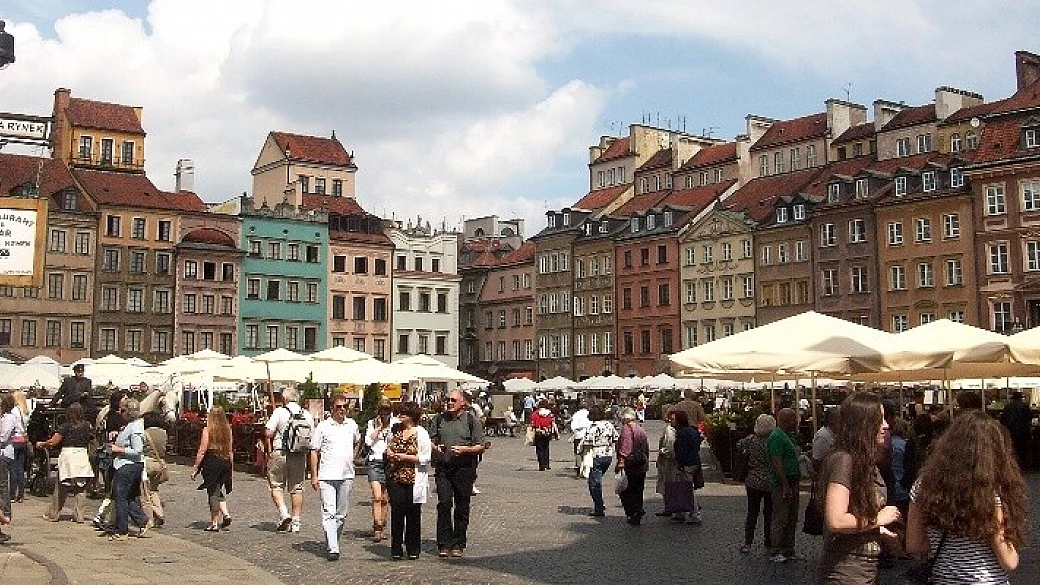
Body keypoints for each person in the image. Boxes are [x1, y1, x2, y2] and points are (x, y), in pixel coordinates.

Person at [907, 410, 1027, 584]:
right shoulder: (988, 493)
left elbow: (914, 544)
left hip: (941, 579)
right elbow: (1008, 561)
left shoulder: (923, 485)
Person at [817, 392, 901, 583]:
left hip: (862, 569)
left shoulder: (862, 461)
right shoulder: (844, 461)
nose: (886, 425)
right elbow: (836, 520)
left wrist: (878, 532)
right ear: (864, 424)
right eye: (880, 420)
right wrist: (878, 519)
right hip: (845, 572)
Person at [429, 389, 485, 558]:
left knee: (462, 506)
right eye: (447, 400)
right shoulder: (438, 419)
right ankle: (444, 543)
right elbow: (430, 440)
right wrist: (435, 447)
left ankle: (458, 543)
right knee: (444, 503)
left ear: (463, 403)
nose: (449, 403)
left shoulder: (471, 420)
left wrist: (464, 450)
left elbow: (480, 446)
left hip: (464, 469)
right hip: (443, 468)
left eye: (453, 400)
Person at [309, 394, 361, 561]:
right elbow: (314, 451)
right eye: (338, 406)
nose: (342, 409)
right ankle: (333, 548)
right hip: (327, 475)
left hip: (346, 475)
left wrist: (352, 457)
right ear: (332, 408)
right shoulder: (323, 427)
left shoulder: (351, 425)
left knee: (341, 514)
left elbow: (357, 441)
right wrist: (314, 475)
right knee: (329, 512)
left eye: (344, 406)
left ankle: (333, 541)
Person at [385, 401, 432, 560]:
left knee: (413, 513)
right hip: (396, 476)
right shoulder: (395, 429)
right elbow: (388, 446)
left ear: (412, 415)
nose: (401, 415)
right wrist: (390, 453)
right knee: (397, 511)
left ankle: (413, 547)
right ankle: (396, 547)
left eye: (404, 412)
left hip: (413, 477)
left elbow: (426, 457)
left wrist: (407, 457)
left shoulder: (421, 433)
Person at [264, 386, 314, 533]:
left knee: (276, 484)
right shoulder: (307, 414)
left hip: (281, 451)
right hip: (299, 453)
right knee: (296, 487)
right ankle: (296, 521)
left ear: (284, 398)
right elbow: (312, 436)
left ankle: (284, 513)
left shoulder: (280, 412)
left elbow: (268, 432)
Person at [37, 402, 95, 523]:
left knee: (61, 487)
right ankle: (79, 516)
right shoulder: (87, 426)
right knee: (81, 487)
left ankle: (53, 514)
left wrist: (42, 444)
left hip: (68, 456)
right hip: (82, 455)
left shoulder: (65, 426)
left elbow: (53, 442)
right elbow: (91, 438)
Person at [107, 398, 151, 541]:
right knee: (127, 498)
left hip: (128, 465)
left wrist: (118, 449)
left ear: (130, 412)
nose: (120, 412)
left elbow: (137, 450)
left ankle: (122, 530)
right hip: (126, 464)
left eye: (124, 410)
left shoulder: (136, 427)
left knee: (120, 497)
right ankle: (143, 521)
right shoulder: (131, 425)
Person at [737, 414, 776, 554]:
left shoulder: (750, 440)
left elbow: (739, 446)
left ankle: (748, 542)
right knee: (769, 513)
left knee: (752, 512)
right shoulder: (773, 441)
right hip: (770, 481)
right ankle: (769, 541)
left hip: (753, 481)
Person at [191, 406, 233, 532]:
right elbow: (231, 450)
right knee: (218, 489)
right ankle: (226, 514)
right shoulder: (228, 430)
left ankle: (214, 522)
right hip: (225, 461)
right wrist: (231, 467)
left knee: (212, 492)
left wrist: (195, 468)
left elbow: (202, 451)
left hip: (212, 461)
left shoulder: (208, 429)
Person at [768, 408, 802, 562]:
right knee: (780, 517)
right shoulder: (776, 437)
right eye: (794, 419)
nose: (797, 422)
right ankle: (775, 550)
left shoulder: (789, 436)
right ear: (785, 420)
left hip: (793, 480)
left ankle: (789, 548)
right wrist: (785, 484)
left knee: (792, 517)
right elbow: (777, 462)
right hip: (783, 482)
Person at [364, 398, 396, 543]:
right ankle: (376, 528)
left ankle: (382, 526)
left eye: (387, 411)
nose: (385, 414)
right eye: (382, 411)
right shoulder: (372, 423)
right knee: (377, 496)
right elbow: (368, 442)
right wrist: (378, 428)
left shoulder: (395, 424)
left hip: (389, 462)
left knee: (385, 498)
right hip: (374, 461)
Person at [582, 404, 618, 517]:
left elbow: (588, 441)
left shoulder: (593, 427)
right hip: (608, 455)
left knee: (594, 483)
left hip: (596, 455)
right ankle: (599, 503)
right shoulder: (609, 425)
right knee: (597, 479)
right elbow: (616, 437)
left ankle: (599, 507)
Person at [616, 407, 650, 526]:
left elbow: (625, 448)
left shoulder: (626, 429)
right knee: (638, 489)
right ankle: (638, 509)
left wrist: (621, 461)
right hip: (641, 463)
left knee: (626, 490)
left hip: (630, 463)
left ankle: (633, 512)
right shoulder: (640, 429)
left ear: (624, 418)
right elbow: (646, 447)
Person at [0, 394, 26, 541]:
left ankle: (5, 512)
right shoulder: (5, 417)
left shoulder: (9, 418)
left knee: (3, 484)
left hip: (4, 454)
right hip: (4, 453)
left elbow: (3, 438)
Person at [672, 409, 704, 525]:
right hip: (695, 461)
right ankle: (680, 512)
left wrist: (680, 463)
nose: (672, 421)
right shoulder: (692, 431)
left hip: (687, 464)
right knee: (685, 487)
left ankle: (694, 514)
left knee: (687, 489)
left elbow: (682, 451)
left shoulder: (682, 433)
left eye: (674, 419)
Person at [141, 412, 168, 527]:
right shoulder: (164, 433)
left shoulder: (144, 433)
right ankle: (160, 513)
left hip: (147, 463)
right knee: (154, 490)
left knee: (145, 492)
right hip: (159, 463)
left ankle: (152, 515)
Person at [655, 408, 680, 517]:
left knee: (668, 483)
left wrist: (662, 452)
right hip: (673, 460)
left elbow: (669, 446)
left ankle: (670, 507)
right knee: (672, 483)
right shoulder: (676, 429)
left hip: (669, 460)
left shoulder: (669, 430)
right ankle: (672, 507)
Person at [1000, 391, 1032, 469]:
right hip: (1023, 431)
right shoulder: (1025, 406)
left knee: (1013, 449)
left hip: (1011, 431)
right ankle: (1022, 465)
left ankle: (1013, 465)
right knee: (1022, 449)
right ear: (1021, 398)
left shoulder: (1008, 406)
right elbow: (1029, 417)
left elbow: (1003, 420)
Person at [812, 406, 840, 473]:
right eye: (840, 418)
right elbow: (816, 461)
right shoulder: (822, 436)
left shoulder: (835, 434)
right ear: (831, 420)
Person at [530, 399, 555, 471]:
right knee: (546, 447)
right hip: (547, 431)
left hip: (538, 431)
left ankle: (541, 465)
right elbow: (552, 423)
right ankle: (547, 464)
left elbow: (533, 424)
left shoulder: (535, 414)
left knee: (539, 448)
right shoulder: (549, 413)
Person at [570, 402, 591, 477]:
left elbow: (573, 426)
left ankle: (579, 469)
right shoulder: (589, 413)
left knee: (578, 453)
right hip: (588, 435)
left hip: (578, 435)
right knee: (587, 453)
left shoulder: (576, 414)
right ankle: (586, 470)